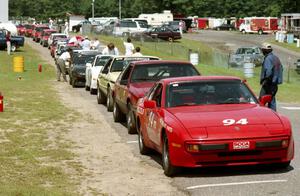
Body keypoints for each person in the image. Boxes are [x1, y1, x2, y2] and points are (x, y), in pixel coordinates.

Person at [259, 43, 283, 111]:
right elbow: (281, 69)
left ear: (265, 50)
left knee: (261, 100)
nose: (262, 51)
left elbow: (268, 71)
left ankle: (261, 116)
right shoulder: (276, 58)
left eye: (263, 50)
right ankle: (273, 116)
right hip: (274, 84)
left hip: (268, 84)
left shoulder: (268, 59)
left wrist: (265, 81)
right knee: (272, 101)